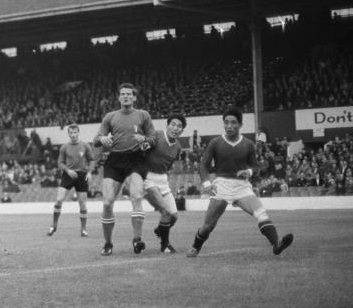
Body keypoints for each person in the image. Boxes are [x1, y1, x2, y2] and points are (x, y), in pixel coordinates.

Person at [187, 107, 294, 257]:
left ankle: (276, 244)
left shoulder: (248, 144)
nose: (229, 126)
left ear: (240, 124)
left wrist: (248, 172)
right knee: (208, 226)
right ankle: (195, 247)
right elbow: (204, 165)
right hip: (221, 186)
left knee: (261, 213)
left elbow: (255, 167)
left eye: (233, 123)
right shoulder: (215, 143)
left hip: (242, 187)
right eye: (226, 122)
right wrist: (206, 184)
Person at [93, 83, 156, 256]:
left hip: (135, 159)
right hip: (114, 160)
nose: (126, 96)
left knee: (136, 196)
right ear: (119, 97)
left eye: (129, 94)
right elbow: (96, 140)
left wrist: (145, 140)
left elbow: (153, 138)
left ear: (134, 97)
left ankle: (137, 240)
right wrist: (103, 139)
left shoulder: (143, 115)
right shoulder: (110, 116)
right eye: (123, 94)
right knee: (107, 202)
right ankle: (107, 243)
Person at [142, 115, 187, 253]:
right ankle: (165, 245)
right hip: (148, 178)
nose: (175, 128)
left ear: (182, 131)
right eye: (173, 124)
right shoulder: (156, 135)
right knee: (165, 213)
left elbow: (169, 166)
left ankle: (160, 230)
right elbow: (141, 150)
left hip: (163, 179)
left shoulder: (178, 146)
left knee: (174, 216)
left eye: (179, 126)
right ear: (167, 125)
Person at [47, 124, 95, 238]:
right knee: (59, 200)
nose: (73, 135)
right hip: (68, 175)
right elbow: (60, 163)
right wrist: (68, 171)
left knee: (82, 204)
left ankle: (83, 230)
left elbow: (92, 160)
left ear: (78, 133)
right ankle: (53, 225)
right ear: (69, 134)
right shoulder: (64, 147)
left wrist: (89, 172)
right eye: (71, 133)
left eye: (75, 132)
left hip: (82, 175)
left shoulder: (85, 146)